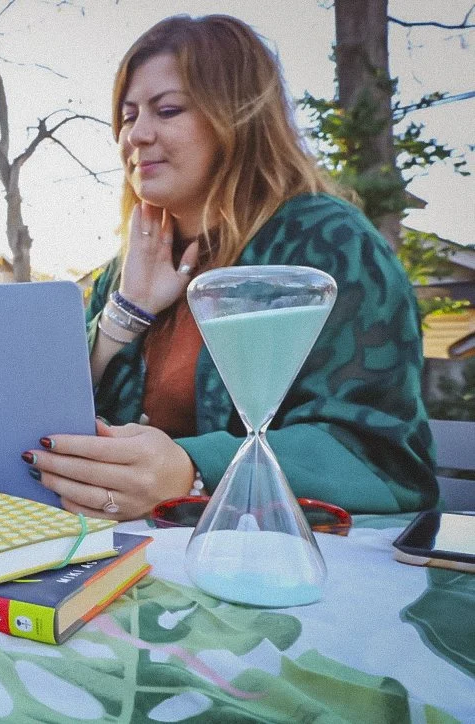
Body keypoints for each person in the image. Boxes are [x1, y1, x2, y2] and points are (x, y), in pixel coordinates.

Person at [23, 15, 437, 519]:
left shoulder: (331, 246)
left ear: (238, 118)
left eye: (167, 110)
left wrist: (192, 472)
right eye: (128, 117)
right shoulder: (125, 269)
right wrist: (124, 313)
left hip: (277, 553)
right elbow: (52, 426)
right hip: (114, 545)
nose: (137, 135)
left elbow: (381, 458)